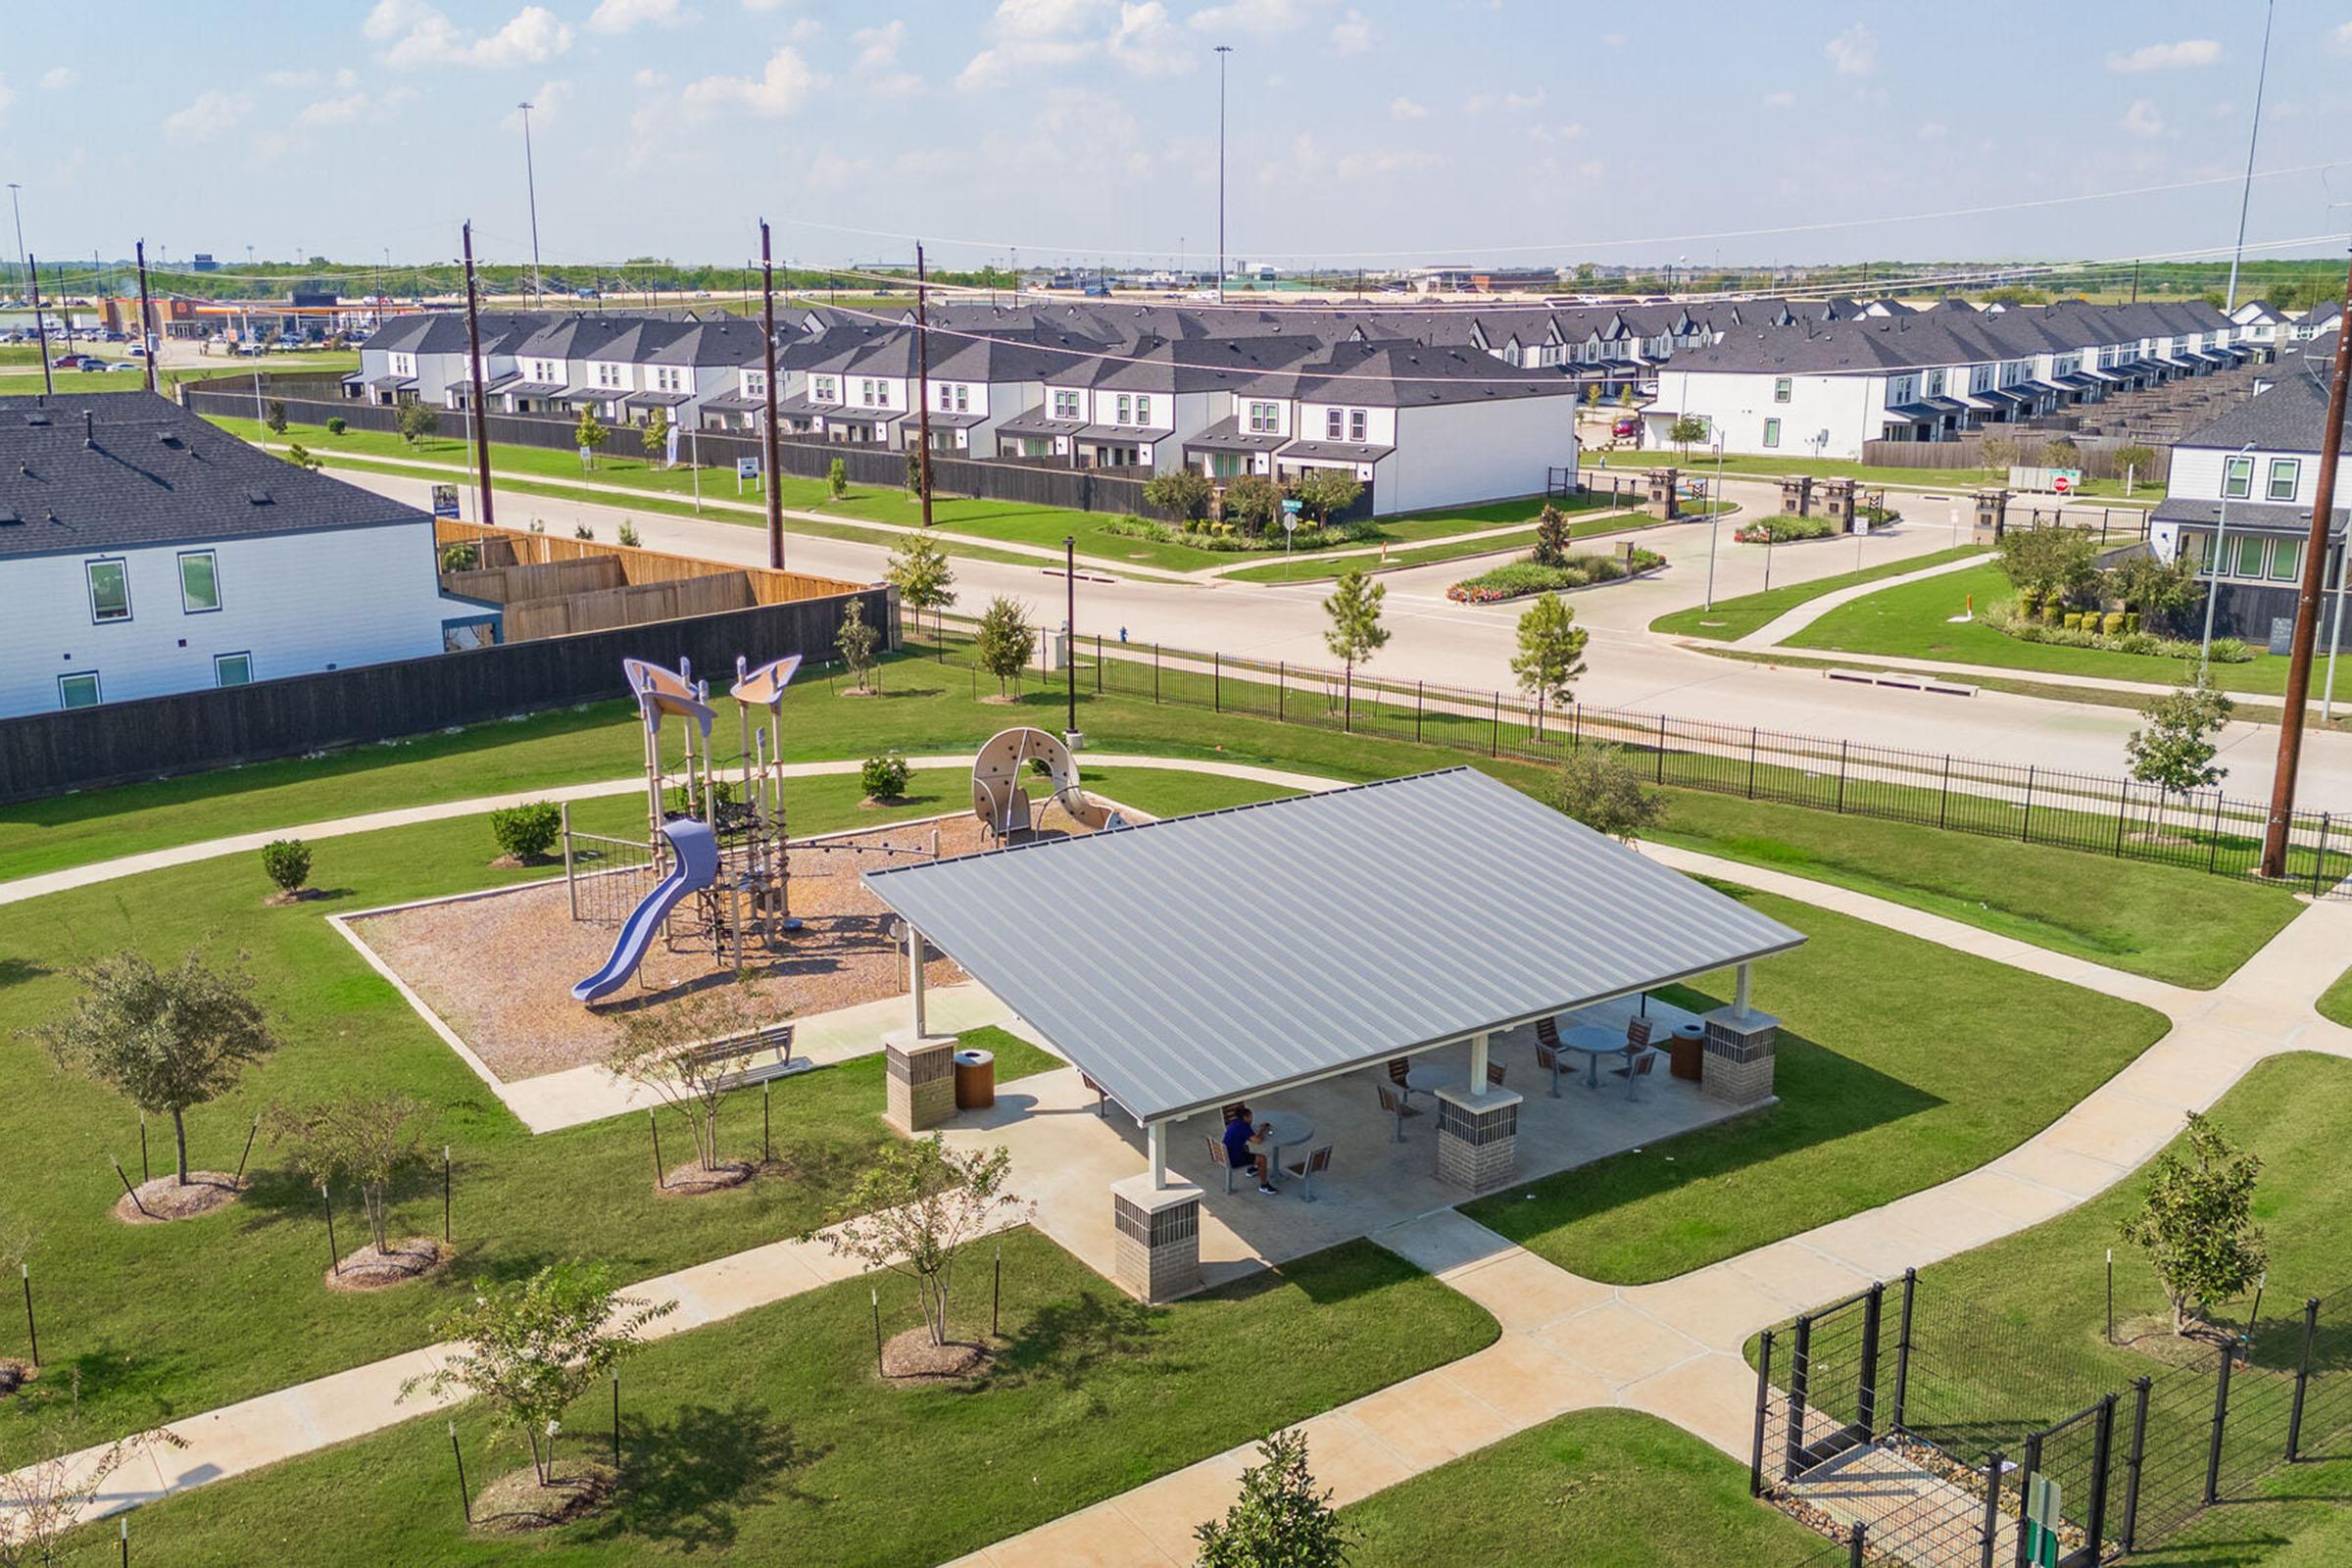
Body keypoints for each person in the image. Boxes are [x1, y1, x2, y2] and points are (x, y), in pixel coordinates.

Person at [1223, 1104, 1276, 1196]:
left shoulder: (1235, 1123)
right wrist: (1262, 1130)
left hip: (1225, 1154)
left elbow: (1247, 1136)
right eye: (1250, 1116)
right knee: (1262, 1159)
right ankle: (1264, 1185)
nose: (1252, 1118)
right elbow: (1258, 1141)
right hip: (1233, 1159)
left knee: (1246, 1147)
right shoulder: (1243, 1127)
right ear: (1245, 1117)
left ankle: (1251, 1169)